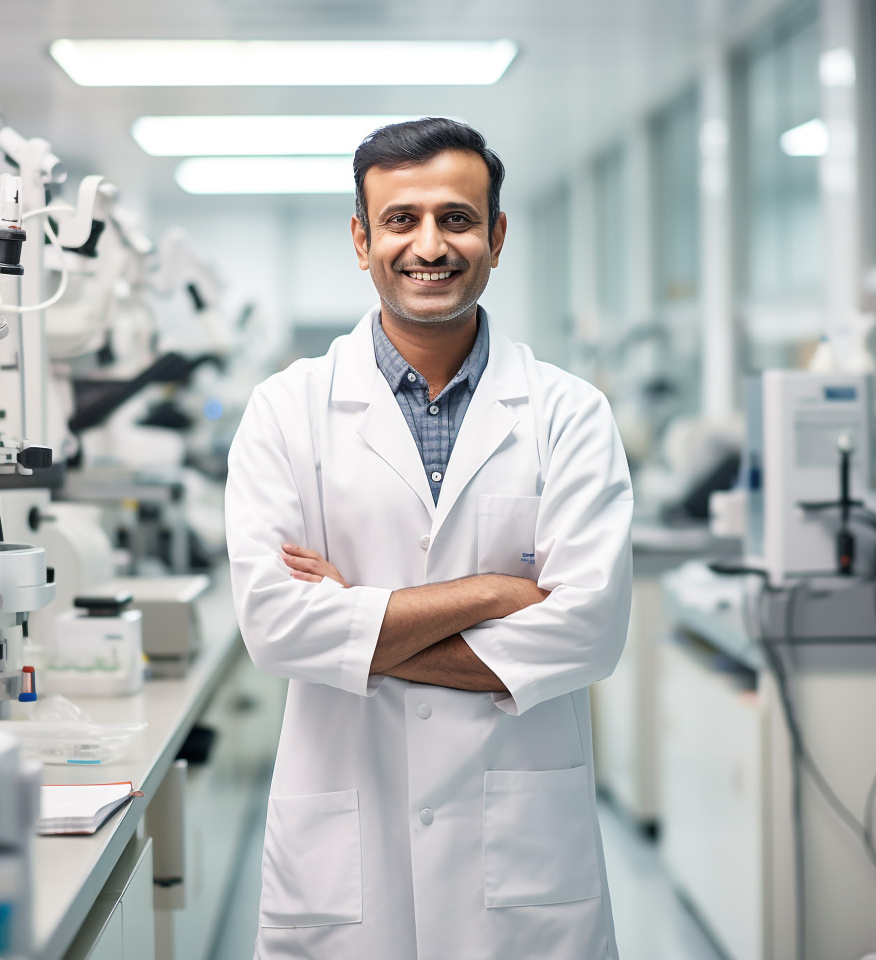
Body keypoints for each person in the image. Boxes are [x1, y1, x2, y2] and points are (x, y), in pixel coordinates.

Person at [225, 117, 633, 960]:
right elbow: (276, 628)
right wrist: (493, 596)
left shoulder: (569, 414)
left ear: (497, 235)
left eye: (457, 217)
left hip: (518, 861)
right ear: (362, 238)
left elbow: (587, 632)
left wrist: (353, 625)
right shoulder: (285, 410)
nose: (429, 245)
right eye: (401, 219)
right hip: (348, 848)